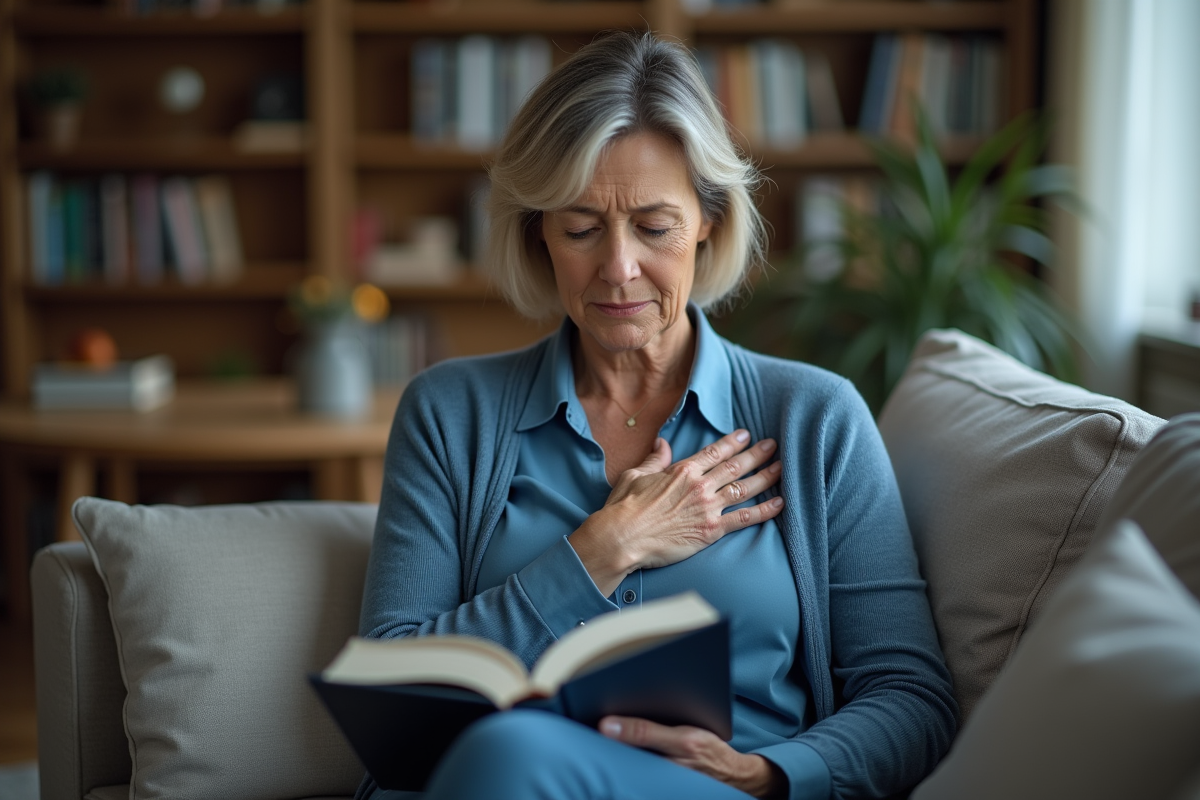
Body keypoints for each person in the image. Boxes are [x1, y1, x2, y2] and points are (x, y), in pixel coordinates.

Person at [357, 31, 956, 800]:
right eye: (580, 228)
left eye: (654, 226)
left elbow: (913, 700)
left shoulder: (814, 419)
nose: (618, 268)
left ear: (708, 219)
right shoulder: (449, 414)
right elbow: (394, 693)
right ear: (537, 231)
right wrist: (603, 550)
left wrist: (769, 773)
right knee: (506, 756)